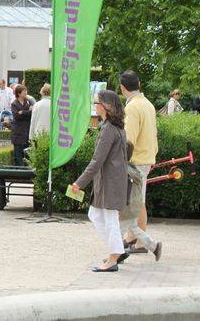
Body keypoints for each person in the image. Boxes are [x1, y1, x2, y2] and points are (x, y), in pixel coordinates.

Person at [71, 90, 130, 272]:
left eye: (96, 102)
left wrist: (79, 182)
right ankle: (117, 250)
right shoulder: (115, 127)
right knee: (96, 215)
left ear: (106, 106)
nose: (94, 105)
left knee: (109, 218)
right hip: (112, 180)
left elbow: (97, 160)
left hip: (110, 182)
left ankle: (113, 257)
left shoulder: (108, 129)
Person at [120, 70, 158, 254]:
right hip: (147, 158)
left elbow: (129, 139)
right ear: (139, 84)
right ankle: (132, 237)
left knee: (137, 201)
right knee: (136, 200)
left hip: (136, 160)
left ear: (122, 87)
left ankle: (141, 242)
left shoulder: (132, 107)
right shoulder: (147, 104)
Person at [10, 85, 32, 166]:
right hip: (18, 132)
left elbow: (31, 113)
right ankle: (18, 171)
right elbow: (16, 116)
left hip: (26, 131)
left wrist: (22, 112)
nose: (26, 93)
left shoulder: (28, 102)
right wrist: (27, 112)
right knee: (18, 154)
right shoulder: (14, 104)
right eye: (24, 91)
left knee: (27, 154)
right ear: (19, 93)